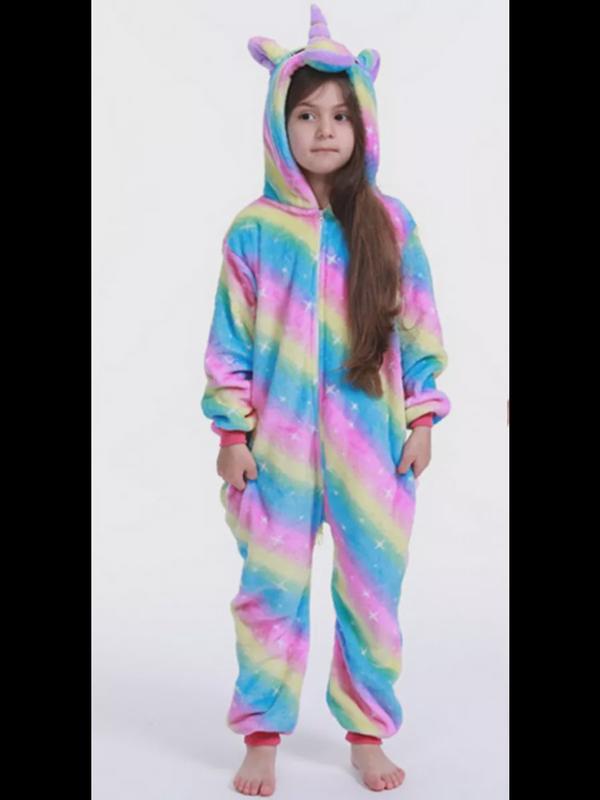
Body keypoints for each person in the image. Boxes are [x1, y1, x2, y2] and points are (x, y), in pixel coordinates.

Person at [200, 4, 451, 795]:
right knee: (268, 592)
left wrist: (422, 415)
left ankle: (367, 731)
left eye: (340, 115)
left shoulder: (389, 223)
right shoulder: (254, 231)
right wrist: (231, 434)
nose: (323, 130)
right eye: (305, 114)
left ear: (363, 123)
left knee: (373, 595)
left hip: (372, 445)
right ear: (279, 123)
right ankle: (262, 732)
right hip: (274, 449)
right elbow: (230, 343)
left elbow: (418, 325)